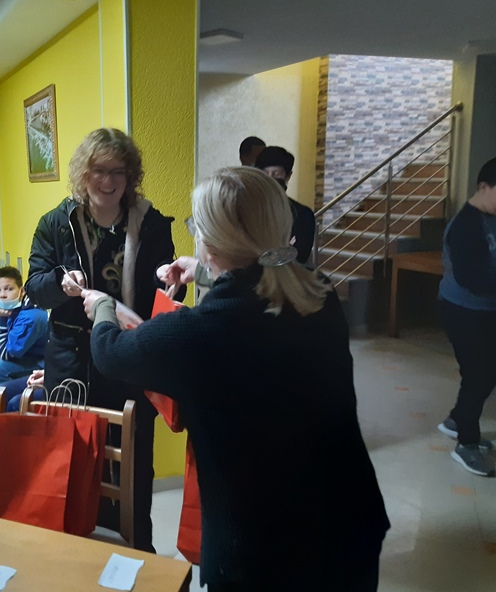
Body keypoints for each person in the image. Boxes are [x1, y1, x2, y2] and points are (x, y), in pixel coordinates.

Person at [82, 168, 390, 591]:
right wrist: (206, 273)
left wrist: (102, 306)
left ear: (210, 243)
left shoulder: (203, 333)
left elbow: (110, 352)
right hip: (348, 521)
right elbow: (261, 275)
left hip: (264, 554)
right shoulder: (318, 292)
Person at [25, 127, 184, 552]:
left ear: (130, 176)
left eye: (118, 171)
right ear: (84, 173)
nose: (109, 181)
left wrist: (172, 281)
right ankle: (80, 548)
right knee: (73, 457)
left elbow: (168, 292)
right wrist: (60, 283)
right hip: (72, 358)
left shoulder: (151, 223)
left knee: (133, 458)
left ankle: (136, 547)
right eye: (99, 170)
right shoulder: (56, 223)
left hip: (130, 354)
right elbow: (34, 287)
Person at [437, 157, 496, 477]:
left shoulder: (491, 217)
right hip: (462, 310)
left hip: (487, 310)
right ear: (483, 187)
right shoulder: (465, 225)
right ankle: (466, 443)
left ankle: (456, 420)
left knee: (485, 372)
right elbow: (472, 278)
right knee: (479, 375)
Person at [0, 266, 47, 385]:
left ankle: (12, 393)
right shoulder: (14, 307)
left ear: (22, 291)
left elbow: (7, 354)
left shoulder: (30, 317)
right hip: (24, 352)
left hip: (41, 361)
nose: (2, 295)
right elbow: (8, 338)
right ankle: (2, 389)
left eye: (9, 289)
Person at [255, 145, 316, 264]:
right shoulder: (249, 210)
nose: (270, 179)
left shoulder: (302, 214)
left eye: (276, 174)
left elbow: (300, 256)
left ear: (288, 176)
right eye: (265, 173)